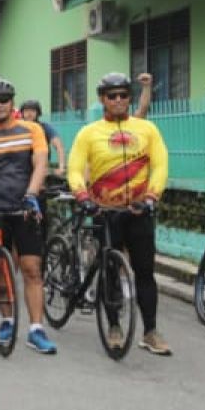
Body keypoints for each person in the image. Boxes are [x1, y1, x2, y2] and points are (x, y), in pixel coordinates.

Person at [67, 72, 171, 356]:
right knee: (110, 269)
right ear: (102, 99)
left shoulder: (147, 129)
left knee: (145, 272)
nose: (118, 100)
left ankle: (150, 331)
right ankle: (113, 326)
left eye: (124, 95)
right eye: (111, 96)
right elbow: (75, 169)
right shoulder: (88, 133)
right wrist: (82, 196)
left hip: (139, 210)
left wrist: (151, 197)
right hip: (105, 211)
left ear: (130, 98)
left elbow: (160, 165)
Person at [0, 78, 57, 354]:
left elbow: (40, 163)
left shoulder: (32, 130)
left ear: (12, 102)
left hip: (25, 207)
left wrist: (31, 194)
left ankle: (36, 329)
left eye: (3, 100)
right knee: (3, 273)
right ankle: (6, 320)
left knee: (31, 269)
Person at [18, 101, 65, 177]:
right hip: (21, 166)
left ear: (38, 113)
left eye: (33, 111)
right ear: (22, 113)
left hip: (41, 164)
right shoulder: (18, 128)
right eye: (26, 111)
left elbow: (59, 146)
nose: (29, 114)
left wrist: (61, 167)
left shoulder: (45, 127)